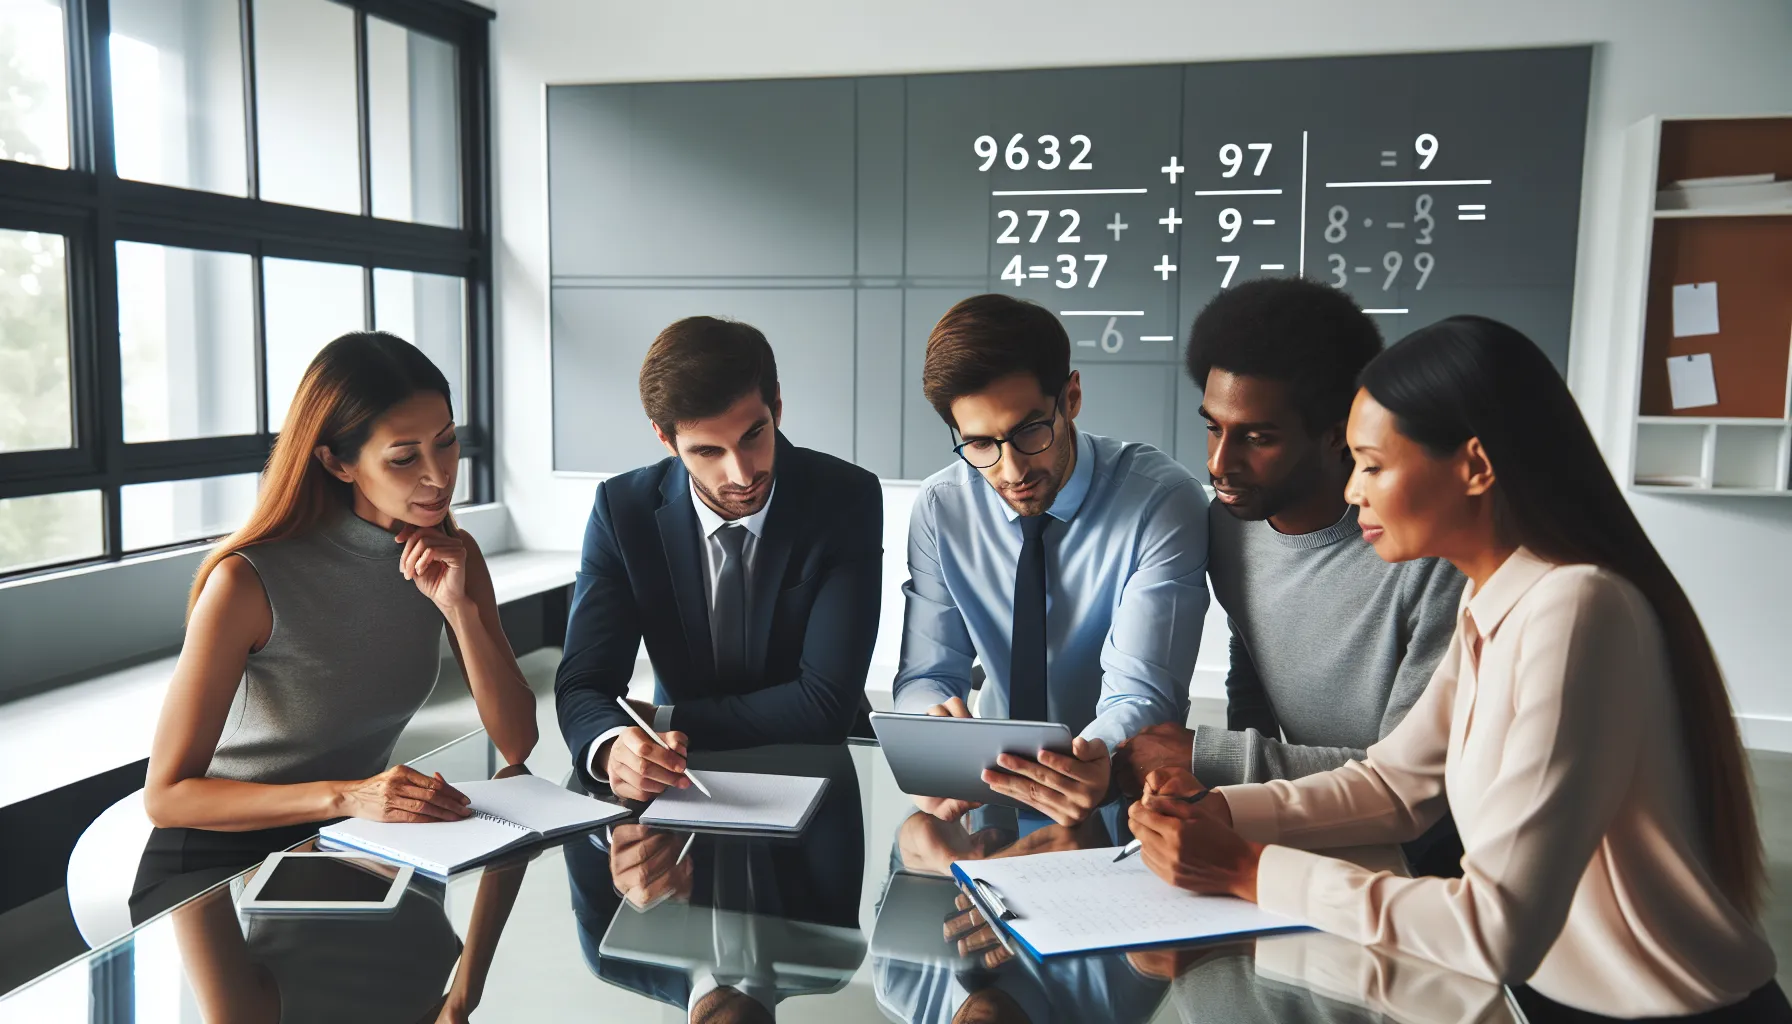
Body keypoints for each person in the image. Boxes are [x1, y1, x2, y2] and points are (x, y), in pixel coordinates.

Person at [1128, 316, 1786, 1021]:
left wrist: (1247, 868)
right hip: (1543, 999)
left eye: (1373, 465)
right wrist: (1219, 809)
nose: (1353, 492)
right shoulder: (1494, 593)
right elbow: (1394, 785)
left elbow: (1492, 927)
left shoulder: (1576, 608)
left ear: (1475, 465)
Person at [136, 332, 539, 917]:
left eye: (447, 442)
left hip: (347, 840)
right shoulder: (246, 582)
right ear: (336, 461)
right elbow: (167, 798)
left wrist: (460, 608)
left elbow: (519, 740)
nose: (439, 475)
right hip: (216, 857)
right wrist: (349, 796)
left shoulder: (454, 555)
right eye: (404, 458)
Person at [1114, 278, 1466, 876]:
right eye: (1213, 427)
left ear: (1336, 434)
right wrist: (1227, 803)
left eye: (1257, 437)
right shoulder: (1230, 524)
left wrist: (1210, 758)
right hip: (1304, 837)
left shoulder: (1435, 560)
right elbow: (1252, 658)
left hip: (1427, 865)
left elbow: (1413, 789)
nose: (1220, 463)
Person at [893, 294, 1209, 827]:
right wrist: (931, 734)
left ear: (1072, 397)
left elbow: (1143, 694)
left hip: (1121, 800)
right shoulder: (941, 506)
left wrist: (1096, 759)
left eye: (1029, 431)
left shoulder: (1161, 501)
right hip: (987, 795)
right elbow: (927, 673)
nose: (1010, 470)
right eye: (979, 444)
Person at [555, 316, 883, 802]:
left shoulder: (845, 498)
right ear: (665, 440)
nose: (742, 472)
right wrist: (612, 748)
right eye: (708, 450)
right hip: (677, 770)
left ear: (777, 406)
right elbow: (584, 683)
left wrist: (663, 720)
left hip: (815, 768)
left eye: (753, 434)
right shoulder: (623, 510)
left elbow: (824, 703)